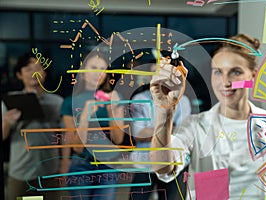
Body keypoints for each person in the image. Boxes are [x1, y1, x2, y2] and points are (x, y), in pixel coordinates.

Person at [149, 34, 266, 199]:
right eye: (218, 72)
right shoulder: (196, 126)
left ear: (253, 76)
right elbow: (163, 167)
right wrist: (165, 110)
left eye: (235, 72)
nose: (225, 82)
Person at [60, 51, 125, 200]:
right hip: (81, 164)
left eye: (102, 69)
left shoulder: (115, 98)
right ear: (82, 72)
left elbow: (118, 139)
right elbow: (76, 147)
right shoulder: (69, 102)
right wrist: (85, 117)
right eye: (93, 67)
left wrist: (111, 111)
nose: (98, 73)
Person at [1, 52, 63, 200]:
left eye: (38, 68)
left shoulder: (57, 102)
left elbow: (66, 136)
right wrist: (7, 123)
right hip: (21, 174)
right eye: (28, 69)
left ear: (45, 73)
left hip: (50, 173)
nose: (33, 72)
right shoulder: (10, 102)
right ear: (19, 75)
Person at [129, 63, 191, 199]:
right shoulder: (139, 99)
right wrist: (168, 129)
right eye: (153, 73)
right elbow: (138, 134)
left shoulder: (183, 101)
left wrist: (151, 131)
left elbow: (181, 135)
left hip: (173, 163)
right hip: (144, 165)